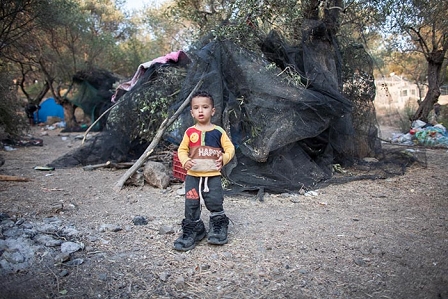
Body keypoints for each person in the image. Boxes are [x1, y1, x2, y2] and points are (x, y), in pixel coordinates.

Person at [173, 91, 235, 251]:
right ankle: (194, 228)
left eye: (205, 107)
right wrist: (185, 160)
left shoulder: (218, 132)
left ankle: (218, 226)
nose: (201, 111)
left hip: (212, 176)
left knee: (214, 200)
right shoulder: (189, 132)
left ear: (212, 111)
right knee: (191, 204)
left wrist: (225, 158)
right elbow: (181, 150)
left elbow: (230, 148)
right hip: (193, 176)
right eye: (196, 107)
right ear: (192, 112)